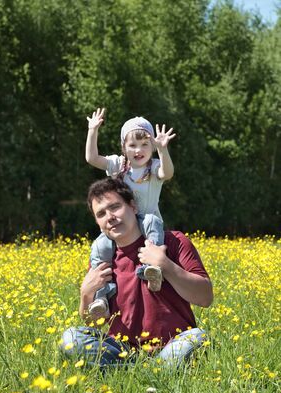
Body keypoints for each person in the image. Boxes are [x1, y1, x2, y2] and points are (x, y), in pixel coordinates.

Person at [61, 178, 213, 367]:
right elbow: (96, 323)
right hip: (123, 351)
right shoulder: (102, 261)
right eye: (101, 214)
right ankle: (137, 372)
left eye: (115, 207)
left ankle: (146, 372)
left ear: (133, 207)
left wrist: (164, 264)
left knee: (197, 338)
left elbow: (205, 298)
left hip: (172, 346)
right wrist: (85, 293)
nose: (110, 217)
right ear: (98, 223)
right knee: (71, 338)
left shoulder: (173, 241)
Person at [85, 108, 176, 319]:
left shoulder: (153, 166)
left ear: (152, 146)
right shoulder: (118, 164)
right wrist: (93, 130)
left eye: (145, 144)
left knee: (153, 221)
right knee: (99, 245)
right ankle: (100, 297)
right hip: (120, 224)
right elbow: (92, 158)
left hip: (145, 223)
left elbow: (167, 173)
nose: (138, 150)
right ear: (123, 147)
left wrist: (163, 151)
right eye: (132, 145)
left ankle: (151, 269)